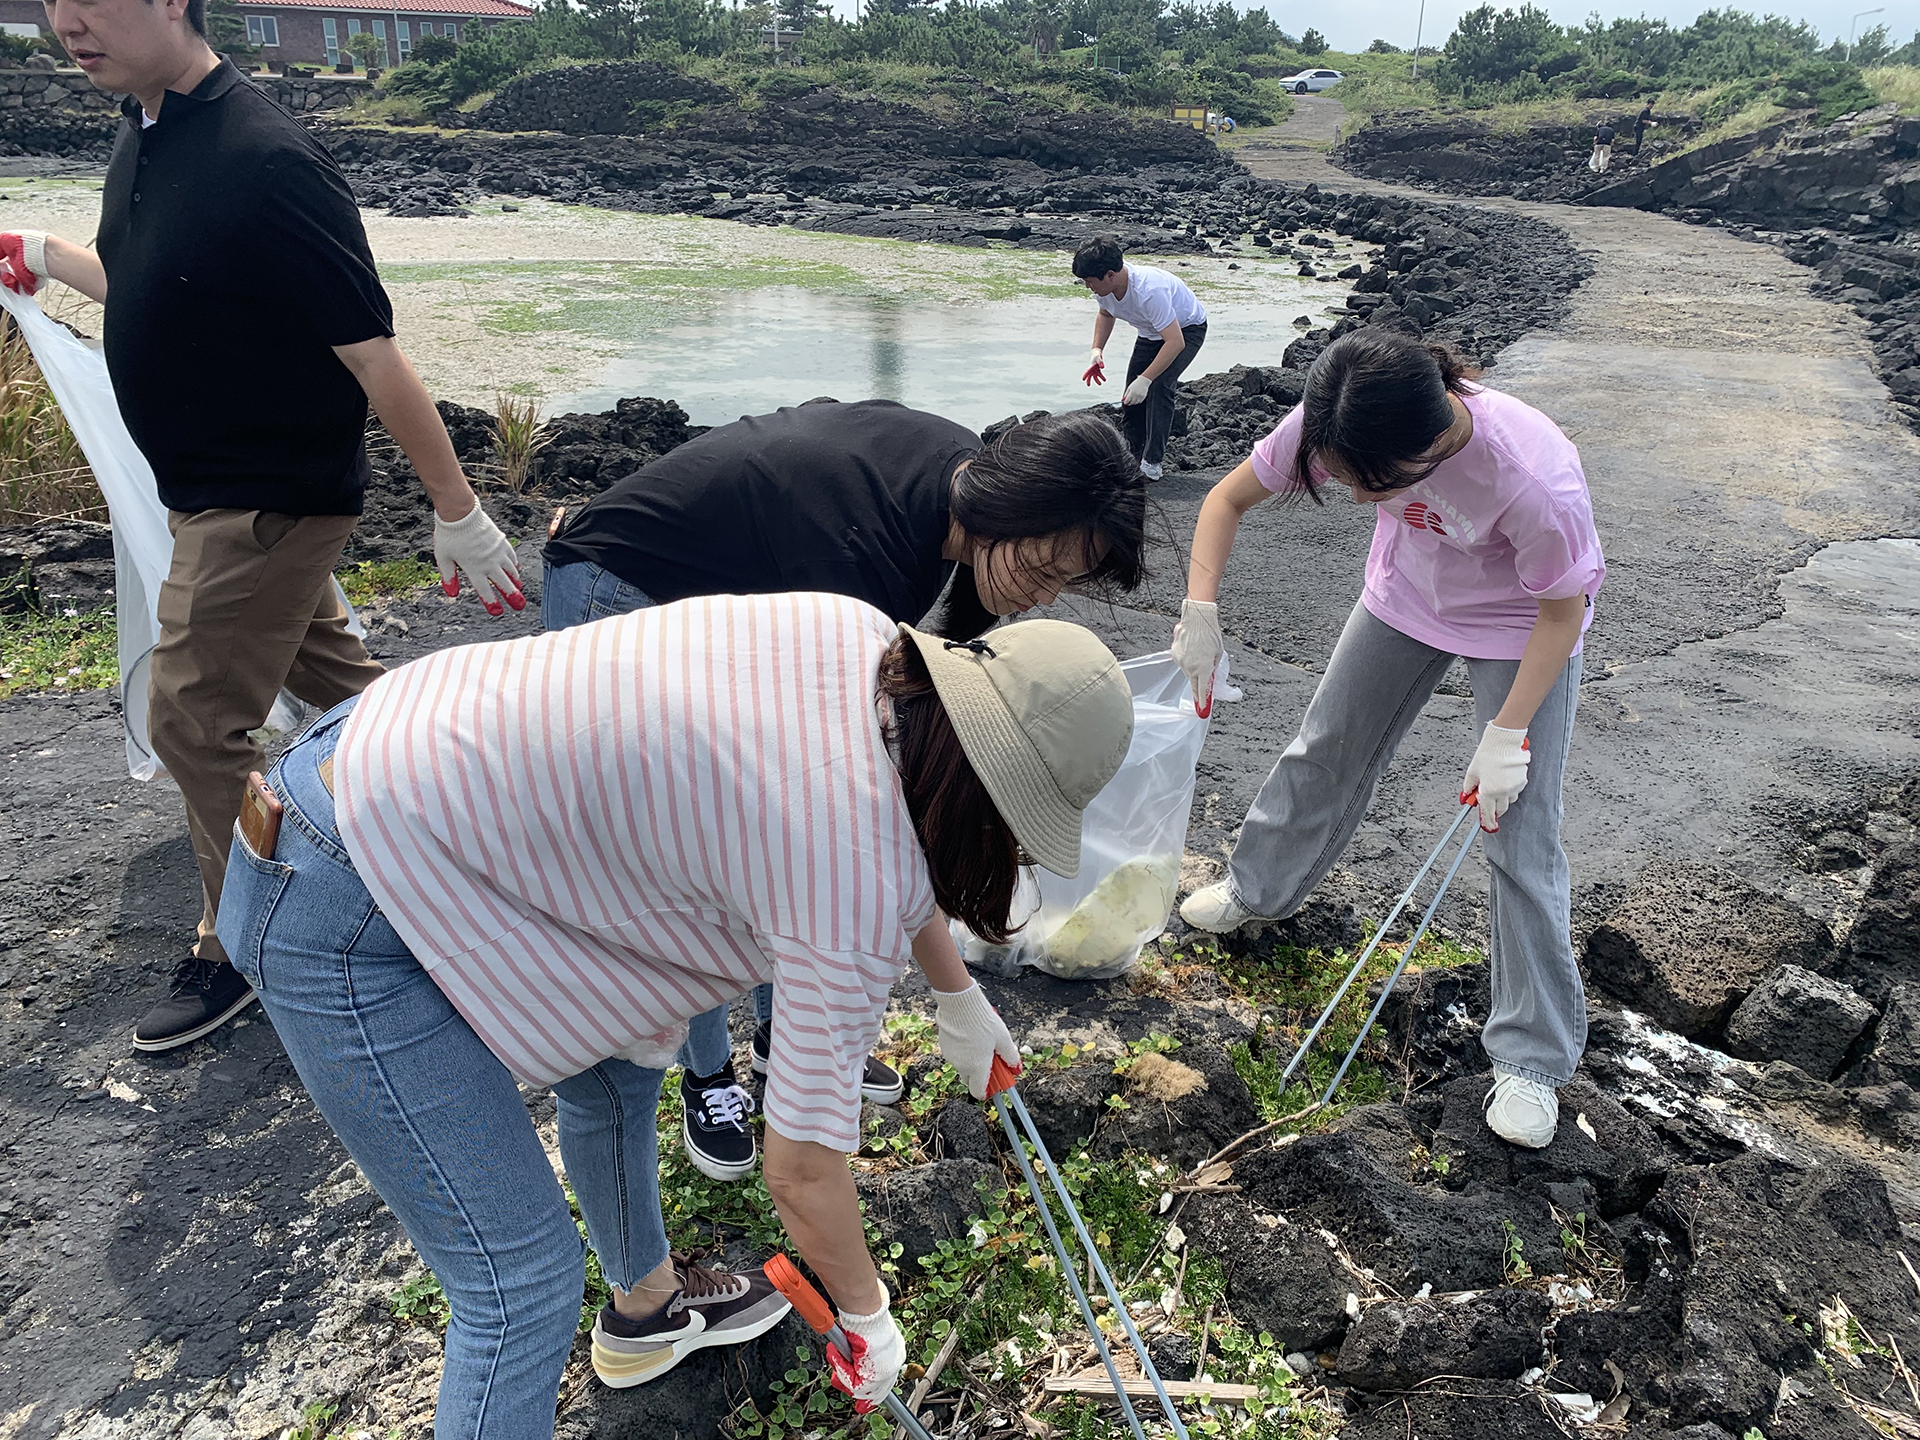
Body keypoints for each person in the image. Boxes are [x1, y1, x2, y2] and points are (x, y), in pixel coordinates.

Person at [215, 592, 1134, 1434]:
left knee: (617, 1064)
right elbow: (803, 1170)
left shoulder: (866, 641)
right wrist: (867, 1311)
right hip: (340, 895)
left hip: (402, 756)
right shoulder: (845, 871)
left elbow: (903, 818)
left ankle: (647, 1311)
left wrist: (956, 995)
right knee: (518, 1285)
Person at [2, 0, 518, 1053]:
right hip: (203, 492)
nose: (67, 22)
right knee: (347, 696)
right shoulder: (145, 127)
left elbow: (372, 351)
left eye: (93, 0)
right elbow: (159, 286)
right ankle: (493, 828)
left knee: (193, 720)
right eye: (54, 0)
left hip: (267, 499)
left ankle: (242, 940)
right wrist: (50, 254)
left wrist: (458, 510)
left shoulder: (268, 156)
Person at [542, 399, 1147, 1182]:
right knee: (695, 849)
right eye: (1040, 569)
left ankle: (776, 1047)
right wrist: (952, 990)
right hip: (624, 583)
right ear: (1006, 502)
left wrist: (950, 997)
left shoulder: (955, 484)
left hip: (725, 586)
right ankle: (708, 1076)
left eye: (1064, 583)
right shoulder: (864, 564)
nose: (1040, 598)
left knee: (764, 832)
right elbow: (837, 812)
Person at [1170, 331, 1604, 1151]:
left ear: (1431, 442)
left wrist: (1508, 733)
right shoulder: (1342, 417)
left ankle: (1534, 1058)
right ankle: (1257, 891)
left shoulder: (1533, 479)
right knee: (1326, 744)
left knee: (1518, 827)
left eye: (1371, 485)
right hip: (1403, 600)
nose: (1359, 497)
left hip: (1520, 625)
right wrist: (1201, 609)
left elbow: (1561, 611)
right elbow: (1224, 501)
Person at [1072, 235, 1208, 482]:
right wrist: (1097, 351)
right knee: (1130, 398)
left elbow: (1176, 342)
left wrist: (1145, 379)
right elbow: (1105, 313)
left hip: (1187, 329)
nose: (1088, 286)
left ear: (1110, 275)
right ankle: (1133, 458)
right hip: (1151, 333)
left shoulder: (1149, 291)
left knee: (1158, 386)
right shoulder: (1105, 289)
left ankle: (1152, 463)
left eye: (1089, 281)